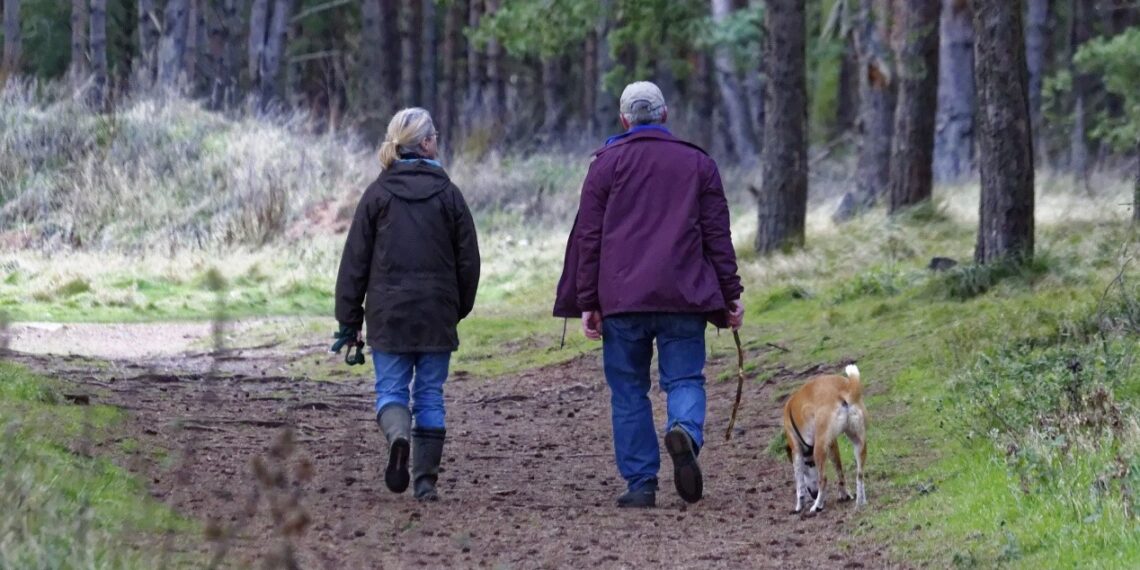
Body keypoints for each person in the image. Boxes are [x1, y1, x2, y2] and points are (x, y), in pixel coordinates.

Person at [553, 82, 745, 508]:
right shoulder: (698, 163)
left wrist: (588, 301)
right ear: (665, 115)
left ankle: (641, 483)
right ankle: (685, 432)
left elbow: (589, 239)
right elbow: (717, 236)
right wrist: (731, 293)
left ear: (624, 119)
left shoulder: (604, 166)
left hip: (622, 301)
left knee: (628, 391)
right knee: (685, 379)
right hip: (684, 296)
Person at [333, 107, 480, 501]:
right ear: (427, 143)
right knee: (430, 394)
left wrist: (349, 320)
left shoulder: (377, 194)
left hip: (389, 314)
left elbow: (355, 262)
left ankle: (398, 436)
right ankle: (425, 481)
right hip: (436, 313)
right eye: (435, 137)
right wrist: (457, 309)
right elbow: (469, 261)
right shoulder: (449, 195)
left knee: (391, 391)